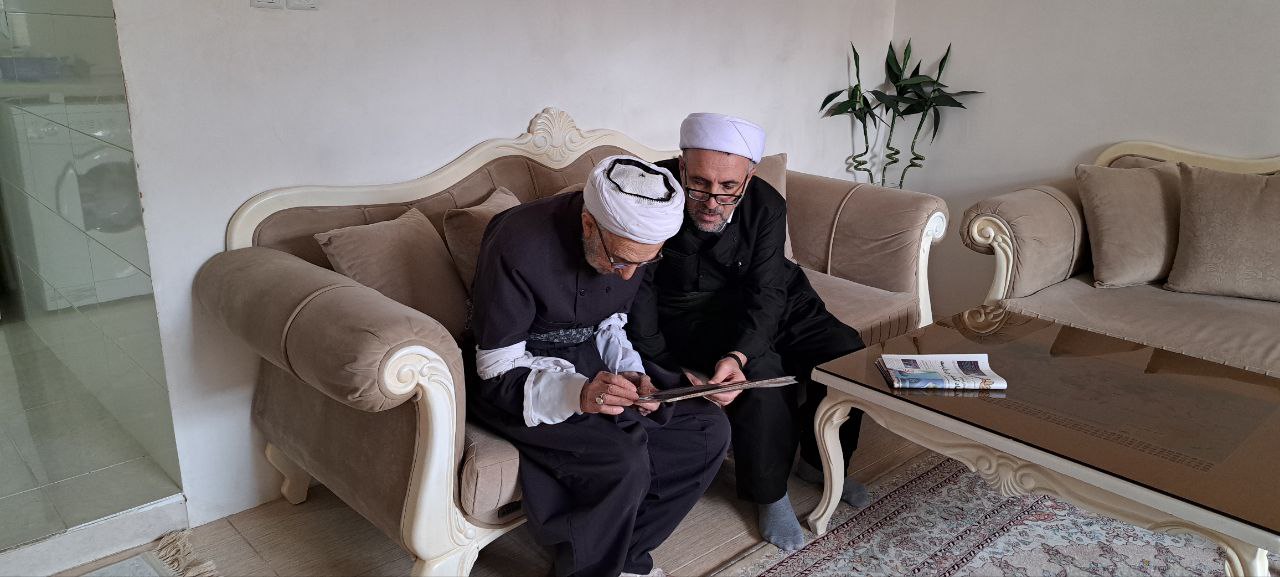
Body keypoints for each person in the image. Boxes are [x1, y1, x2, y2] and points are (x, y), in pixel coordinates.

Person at [467, 155, 731, 577]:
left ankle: (625, 558)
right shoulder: (517, 240)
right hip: (521, 377)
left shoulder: (630, 252)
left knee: (707, 428)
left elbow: (611, 322)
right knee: (620, 458)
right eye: (622, 261)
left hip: (593, 362)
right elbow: (497, 366)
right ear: (589, 225)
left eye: (644, 263)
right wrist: (580, 394)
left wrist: (631, 373)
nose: (628, 277)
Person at [628, 113, 869, 551]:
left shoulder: (767, 204)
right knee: (760, 374)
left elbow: (768, 292)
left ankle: (819, 464)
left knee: (846, 353)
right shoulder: (650, 192)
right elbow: (638, 296)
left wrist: (737, 352)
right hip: (691, 314)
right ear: (681, 166)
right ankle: (769, 494)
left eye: (728, 188)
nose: (712, 201)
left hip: (773, 295)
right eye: (699, 184)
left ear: (749, 177)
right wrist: (668, 367)